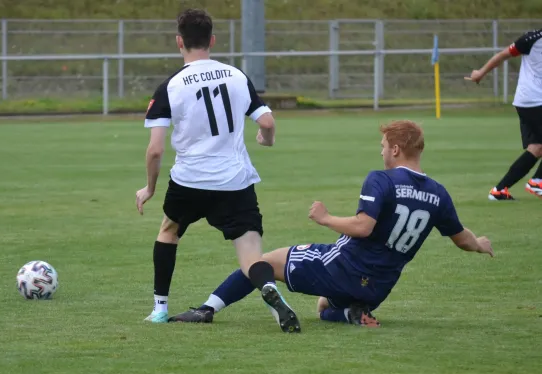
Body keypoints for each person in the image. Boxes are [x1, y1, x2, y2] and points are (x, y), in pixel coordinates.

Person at [169, 120, 494, 328]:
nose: (381, 153)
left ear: (395, 149)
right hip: (378, 287)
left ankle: (207, 309)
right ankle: (353, 314)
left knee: (261, 263)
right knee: (325, 308)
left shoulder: (381, 180)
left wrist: (325, 218)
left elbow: (363, 226)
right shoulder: (438, 194)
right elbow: (462, 239)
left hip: (342, 267)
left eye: (383, 147)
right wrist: (480, 244)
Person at [136, 8, 300, 333]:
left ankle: (159, 309)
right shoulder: (236, 76)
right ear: (211, 40)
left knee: (169, 231)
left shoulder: (170, 86)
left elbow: (155, 149)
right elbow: (266, 121)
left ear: (179, 42)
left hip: (190, 180)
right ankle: (269, 290)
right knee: (251, 254)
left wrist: (150, 188)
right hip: (235, 180)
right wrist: (266, 139)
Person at [467, 29, 542, 200]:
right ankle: (537, 181)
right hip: (532, 101)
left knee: (537, 148)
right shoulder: (532, 39)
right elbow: (503, 54)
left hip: (531, 102)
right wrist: (481, 72)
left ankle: (499, 191)